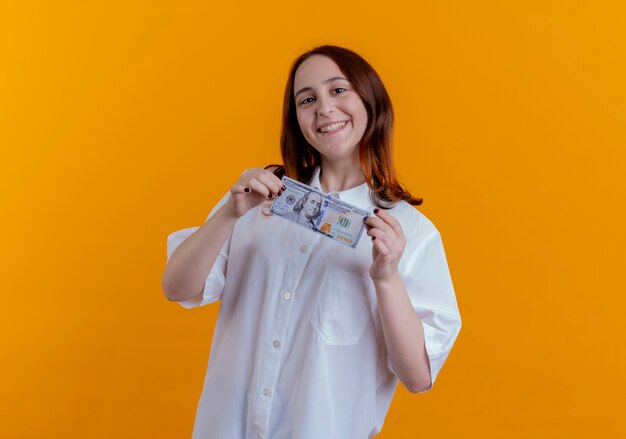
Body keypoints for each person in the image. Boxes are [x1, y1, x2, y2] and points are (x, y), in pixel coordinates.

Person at [162, 45, 461, 439]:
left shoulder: (411, 233)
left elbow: (418, 377)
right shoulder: (257, 199)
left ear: (370, 100)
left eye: (339, 90)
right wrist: (229, 214)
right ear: (296, 119)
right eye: (307, 99)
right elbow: (176, 287)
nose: (324, 108)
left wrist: (386, 278)